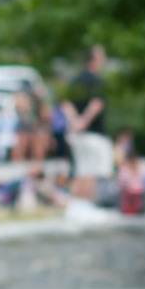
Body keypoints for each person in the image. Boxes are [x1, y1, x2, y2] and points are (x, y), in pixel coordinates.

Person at [62, 46, 113, 204]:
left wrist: (75, 121)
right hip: (94, 134)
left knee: (81, 172)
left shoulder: (74, 81)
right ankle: (86, 205)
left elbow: (65, 103)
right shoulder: (97, 81)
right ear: (95, 60)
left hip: (78, 135)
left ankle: (76, 205)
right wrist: (84, 121)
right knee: (92, 173)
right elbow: (96, 104)